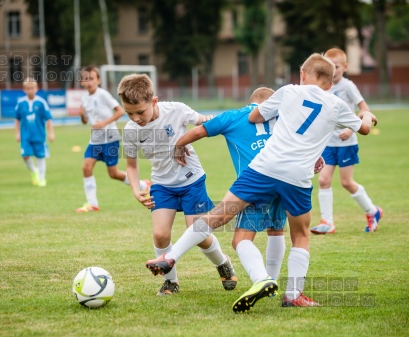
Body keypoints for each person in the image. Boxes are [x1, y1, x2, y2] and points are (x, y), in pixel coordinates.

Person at [146, 53, 378, 312]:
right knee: (300, 235)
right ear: (330, 82)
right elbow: (364, 128)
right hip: (298, 177)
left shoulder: (289, 91)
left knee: (217, 216)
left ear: (302, 75)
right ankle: (293, 294)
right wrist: (367, 115)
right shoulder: (336, 104)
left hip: (264, 168)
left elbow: (255, 116)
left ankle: (171, 256)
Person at [175, 87, 326, 291]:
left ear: (250, 102)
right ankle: (275, 281)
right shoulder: (286, 117)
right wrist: (315, 156)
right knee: (277, 230)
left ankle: (262, 279)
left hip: (254, 185)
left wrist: (179, 144)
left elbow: (200, 130)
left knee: (240, 238)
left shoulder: (236, 116)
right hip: (288, 181)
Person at [117, 73, 238, 296]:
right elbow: (132, 166)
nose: (135, 118)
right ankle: (170, 282)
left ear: (154, 101)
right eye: (129, 113)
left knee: (198, 234)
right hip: (162, 185)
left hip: (192, 181)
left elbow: (203, 122)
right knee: (161, 235)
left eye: (140, 112)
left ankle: (222, 262)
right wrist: (136, 190)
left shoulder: (176, 110)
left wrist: (219, 122)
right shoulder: (131, 130)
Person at [310, 48, 383, 234]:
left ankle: (372, 211)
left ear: (345, 67)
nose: (333, 71)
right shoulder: (321, 87)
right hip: (328, 143)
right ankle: (327, 222)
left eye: (336, 67)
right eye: (329, 67)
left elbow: (364, 109)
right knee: (324, 180)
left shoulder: (348, 86)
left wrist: (351, 129)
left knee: (346, 182)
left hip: (346, 144)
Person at [76, 66, 151, 213]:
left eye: (91, 78)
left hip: (110, 138)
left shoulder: (102, 94)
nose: (89, 81)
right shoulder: (84, 99)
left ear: (98, 80)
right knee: (86, 167)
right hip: (95, 140)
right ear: (82, 82)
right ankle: (92, 204)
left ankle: (143, 185)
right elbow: (86, 121)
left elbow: (120, 111)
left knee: (113, 173)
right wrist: (81, 115)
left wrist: (104, 123)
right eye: (85, 79)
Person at [14, 77, 55, 187]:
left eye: (32, 88)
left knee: (40, 157)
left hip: (39, 135)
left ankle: (42, 179)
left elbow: (48, 119)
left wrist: (51, 133)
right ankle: (34, 171)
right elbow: (17, 119)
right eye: (28, 88)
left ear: (36, 88)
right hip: (25, 136)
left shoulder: (41, 103)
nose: (30, 90)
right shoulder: (21, 103)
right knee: (25, 156)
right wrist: (17, 133)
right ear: (24, 89)